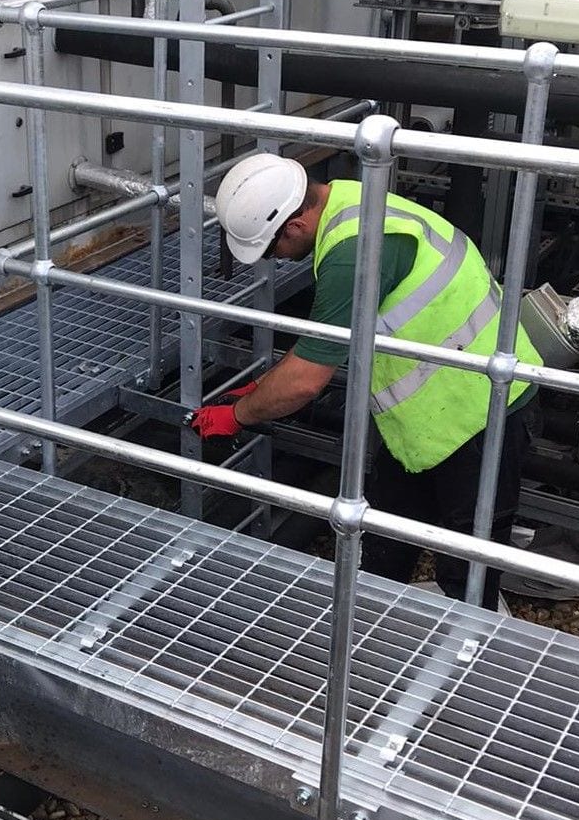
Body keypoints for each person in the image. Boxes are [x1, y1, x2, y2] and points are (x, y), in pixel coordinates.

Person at [190, 154, 542, 610]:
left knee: (467, 562)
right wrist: (260, 392)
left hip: (483, 410)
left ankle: (468, 658)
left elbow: (305, 380)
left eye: (268, 248)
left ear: (293, 226)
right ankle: (378, 633)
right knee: (383, 536)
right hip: (431, 414)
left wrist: (238, 415)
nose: (273, 260)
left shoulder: (350, 253)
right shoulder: (350, 199)